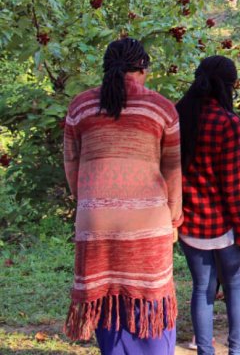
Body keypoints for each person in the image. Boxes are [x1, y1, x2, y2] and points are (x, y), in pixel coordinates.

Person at [63, 38, 181, 354]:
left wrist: (89, 199)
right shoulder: (161, 107)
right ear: (142, 69)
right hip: (147, 222)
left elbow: (72, 165)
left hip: (96, 223)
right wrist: (174, 218)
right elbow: (172, 170)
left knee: (106, 298)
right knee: (150, 298)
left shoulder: (80, 106)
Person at [177, 56, 240, 355]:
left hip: (188, 222)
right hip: (222, 226)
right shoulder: (227, 122)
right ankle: (236, 350)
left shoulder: (180, 114)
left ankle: (205, 351)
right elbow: (230, 187)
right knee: (236, 286)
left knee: (202, 289)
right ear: (229, 86)